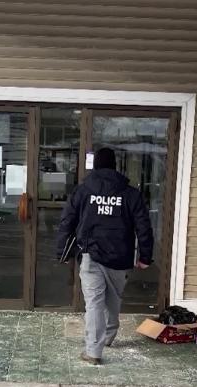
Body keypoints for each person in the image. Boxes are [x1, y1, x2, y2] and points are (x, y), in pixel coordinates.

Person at [57, 148, 154, 365]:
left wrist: (62, 251)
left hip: (90, 254)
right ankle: (107, 337)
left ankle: (94, 350)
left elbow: (67, 221)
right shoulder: (130, 194)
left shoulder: (83, 191)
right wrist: (145, 256)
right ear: (114, 166)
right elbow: (144, 227)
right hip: (120, 256)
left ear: (96, 166)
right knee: (112, 299)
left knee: (94, 303)